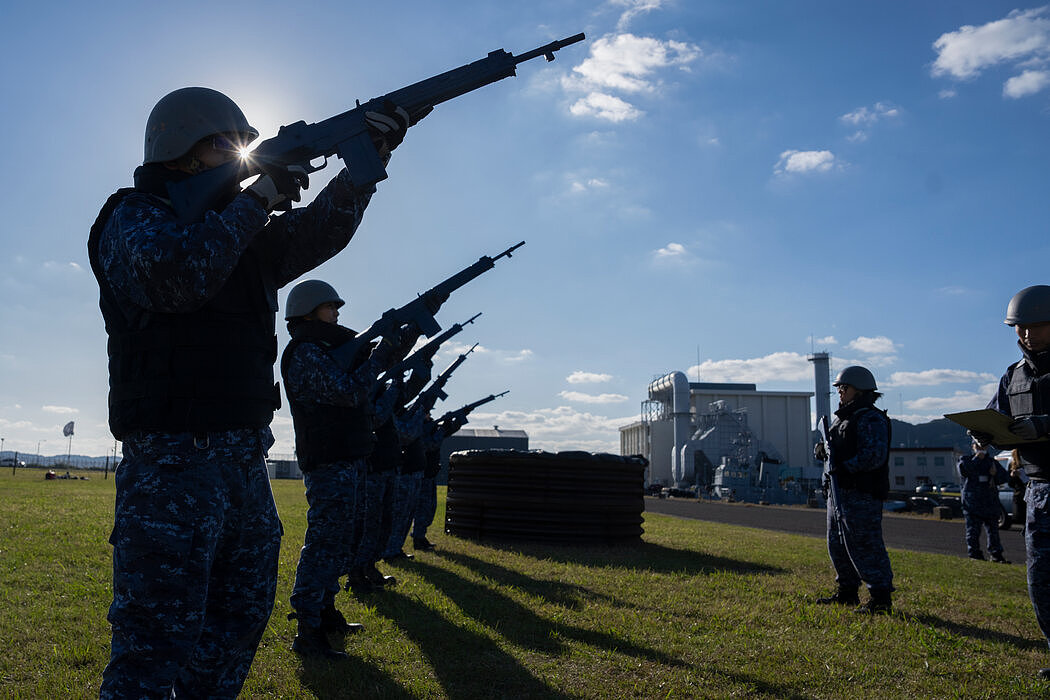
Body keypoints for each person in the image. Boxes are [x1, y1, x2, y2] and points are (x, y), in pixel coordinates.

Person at [88, 86, 414, 697]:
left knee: (235, 626)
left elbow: (320, 234)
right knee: (154, 645)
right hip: (171, 464)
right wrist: (259, 197)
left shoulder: (239, 230)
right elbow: (176, 277)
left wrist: (369, 159)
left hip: (243, 463)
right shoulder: (132, 215)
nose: (240, 153)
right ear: (183, 151)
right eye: (226, 144)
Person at [281, 280, 411, 658]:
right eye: (329, 306)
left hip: (346, 458)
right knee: (324, 544)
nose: (337, 312)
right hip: (328, 462)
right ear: (308, 311)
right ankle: (307, 630)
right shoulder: (306, 352)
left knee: (340, 542)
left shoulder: (329, 349)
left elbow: (362, 387)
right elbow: (351, 391)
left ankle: (325, 611)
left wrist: (398, 342)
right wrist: (377, 358)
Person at [982, 285, 1050, 681]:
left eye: (1038, 325)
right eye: (1020, 328)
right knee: (1041, 581)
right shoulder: (1014, 376)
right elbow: (997, 415)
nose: (1028, 335)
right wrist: (984, 434)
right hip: (1039, 492)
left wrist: (1044, 424)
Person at [814, 365, 894, 614]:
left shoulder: (870, 418)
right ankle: (847, 592)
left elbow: (874, 456)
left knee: (865, 546)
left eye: (843, 387)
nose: (839, 391)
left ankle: (880, 598)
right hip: (839, 494)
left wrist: (843, 467)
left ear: (859, 390)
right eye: (838, 387)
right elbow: (835, 449)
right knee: (837, 545)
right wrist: (822, 451)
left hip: (861, 494)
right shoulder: (842, 419)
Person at [957, 441, 1009, 562]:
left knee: (993, 531)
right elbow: (964, 471)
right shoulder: (965, 460)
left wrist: (995, 474)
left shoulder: (992, 462)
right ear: (973, 447)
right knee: (973, 531)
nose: (981, 448)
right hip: (972, 503)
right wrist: (976, 459)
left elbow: (1004, 478)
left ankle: (996, 554)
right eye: (978, 445)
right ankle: (974, 554)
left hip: (990, 501)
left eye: (983, 446)